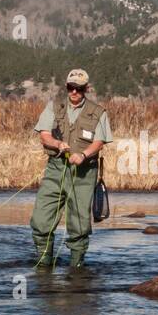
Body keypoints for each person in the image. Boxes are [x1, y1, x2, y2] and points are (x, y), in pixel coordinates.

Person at [29, 69, 112, 267]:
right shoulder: (53, 107)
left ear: (86, 89)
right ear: (66, 87)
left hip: (84, 173)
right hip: (55, 169)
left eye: (79, 88)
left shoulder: (98, 112)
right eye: (70, 87)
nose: (74, 92)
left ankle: (76, 270)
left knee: (79, 224)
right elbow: (44, 135)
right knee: (41, 219)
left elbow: (99, 142)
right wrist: (57, 144)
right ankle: (43, 265)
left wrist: (83, 155)